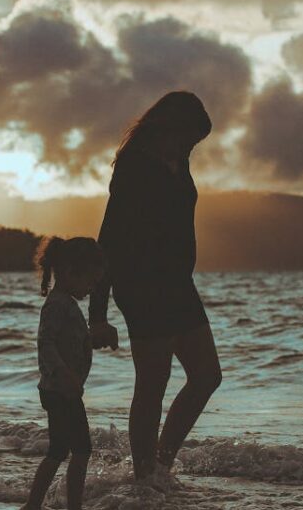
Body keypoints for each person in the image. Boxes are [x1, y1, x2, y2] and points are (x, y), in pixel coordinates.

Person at [89, 91, 223, 482]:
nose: (190, 148)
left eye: (195, 144)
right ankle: (146, 474)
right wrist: (97, 316)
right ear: (170, 128)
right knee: (153, 382)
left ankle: (161, 463)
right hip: (142, 285)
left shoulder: (177, 161)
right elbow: (109, 238)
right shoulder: (135, 166)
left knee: (207, 376)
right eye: (188, 139)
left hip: (178, 284)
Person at [18, 236, 106, 510]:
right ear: (69, 272)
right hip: (60, 390)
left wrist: (90, 341)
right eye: (90, 282)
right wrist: (65, 374)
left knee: (60, 450)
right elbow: (46, 343)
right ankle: (72, 509)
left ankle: (36, 505)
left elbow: (69, 341)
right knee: (80, 449)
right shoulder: (57, 305)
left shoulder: (65, 303)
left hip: (62, 389)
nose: (92, 289)